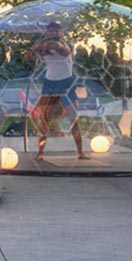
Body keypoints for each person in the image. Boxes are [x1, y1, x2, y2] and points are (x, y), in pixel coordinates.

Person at [27, 23, 88, 161]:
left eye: (56, 31)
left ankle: (81, 152)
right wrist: (37, 48)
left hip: (66, 83)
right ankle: (40, 152)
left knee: (73, 117)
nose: (53, 33)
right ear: (47, 32)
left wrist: (43, 45)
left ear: (60, 33)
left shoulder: (64, 45)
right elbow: (29, 57)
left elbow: (63, 51)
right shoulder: (43, 45)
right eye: (51, 31)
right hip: (50, 84)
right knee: (45, 118)